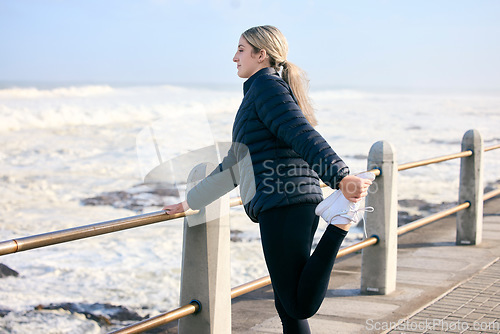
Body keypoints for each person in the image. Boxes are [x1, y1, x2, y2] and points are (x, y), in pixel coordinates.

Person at [163, 25, 372, 334]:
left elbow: (302, 134)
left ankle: (341, 221)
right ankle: (339, 218)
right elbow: (235, 165)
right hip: (289, 201)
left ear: (261, 55)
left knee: (297, 305)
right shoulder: (260, 93)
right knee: (286, 307)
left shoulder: (266, 89)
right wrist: (191, 201)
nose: (234, 57)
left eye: (241, 49)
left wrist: (341, 177)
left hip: (284, 203)